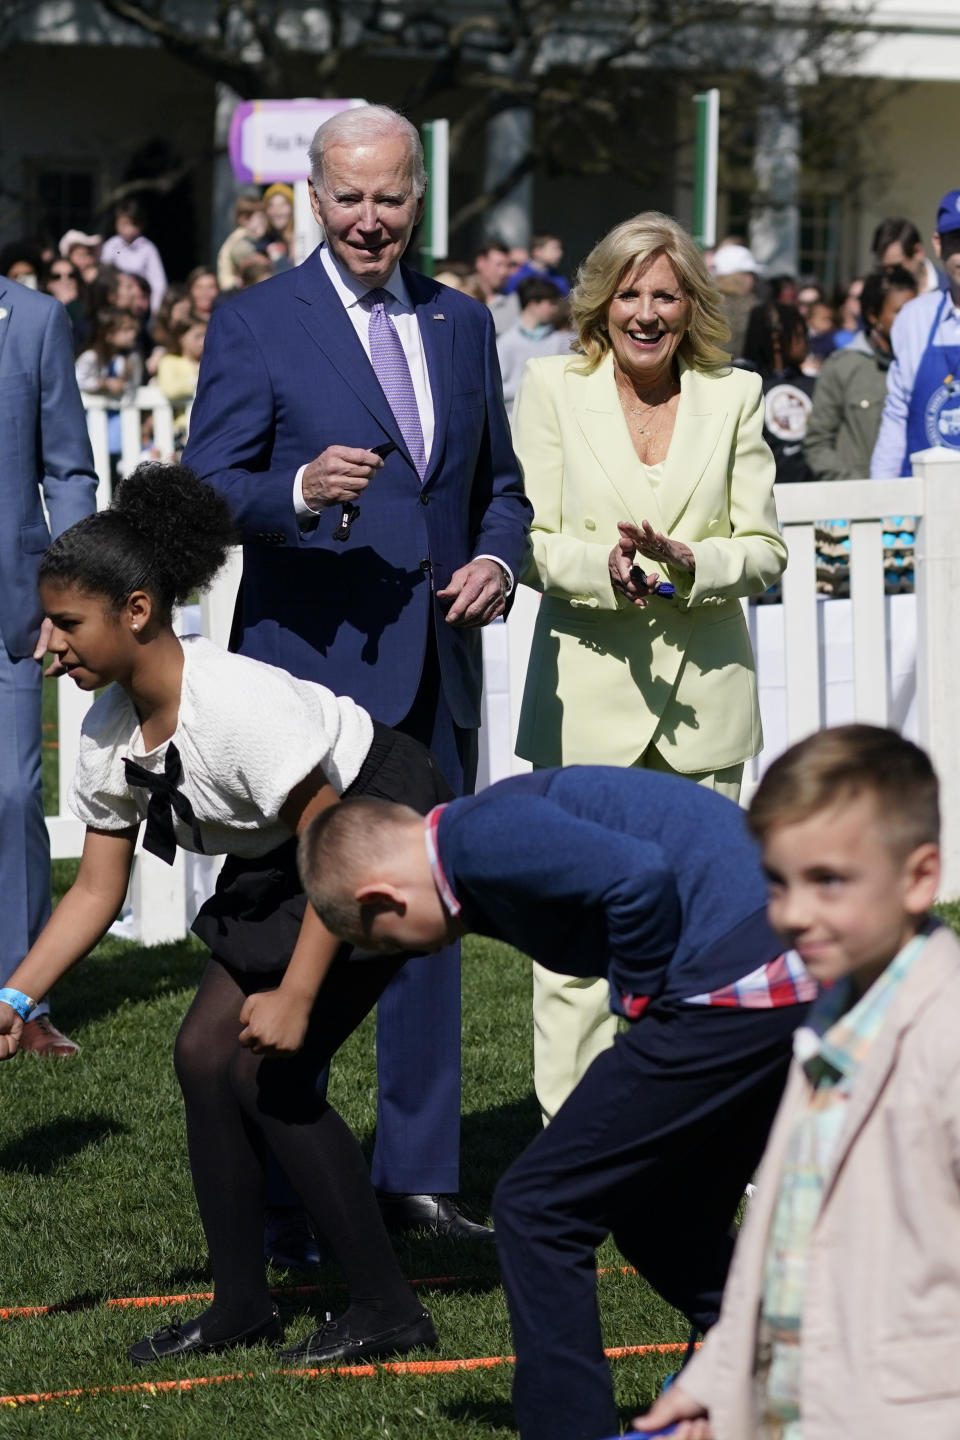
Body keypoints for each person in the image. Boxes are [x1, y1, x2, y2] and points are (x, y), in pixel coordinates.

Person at [0, 463, 452, 1367]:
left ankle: (387, 1309)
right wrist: (14, 1002)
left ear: (137, 611)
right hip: (286, 853)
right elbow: (96, 889)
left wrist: (294, 993)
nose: (47, 647)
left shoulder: (235, 707)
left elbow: (338, 851)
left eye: (68, 624)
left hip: (371, 824)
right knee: (204, 1054)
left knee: (269, 1074)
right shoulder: (105, 731)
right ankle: (241, 1304)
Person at [183, 103, 532, 1242]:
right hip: (309, 684)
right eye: (351, 198)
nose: (371, 219)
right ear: (312, 200)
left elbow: (501, 488)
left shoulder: (463, 323)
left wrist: (495, 557)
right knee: (295, 928)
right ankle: (284, 1165)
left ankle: (420, 1177)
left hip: (434, 672)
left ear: (417, 198)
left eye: (392, 197)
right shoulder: (254, 322)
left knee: (423, 923)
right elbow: (206, 486)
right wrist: (290, 494)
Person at [299, 765, 815, 1440]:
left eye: (389, 943)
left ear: (383, 900)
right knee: (661, 1217)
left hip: (737, 979)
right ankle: (773, 1365)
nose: (409, 953)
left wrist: (637, 1001)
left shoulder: (477, 838)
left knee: (535, 1208)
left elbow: (638, 878)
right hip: (776, 971)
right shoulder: (475, 846)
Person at [512, 211, 787, 1121]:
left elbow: (765, 550)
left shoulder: (734, 395)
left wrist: (695, 564)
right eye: (629, 292)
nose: (645, 312)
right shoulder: (552, 387)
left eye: (664, 295)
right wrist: (607, 570)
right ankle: (574, 1138)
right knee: (575, 943)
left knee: (713, 935)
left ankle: (700, 1126)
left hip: (704, 707)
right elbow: (531, 542)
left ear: (690, 306)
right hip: (586, 696)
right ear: (601, 299)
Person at [635, 724, 957, 1440]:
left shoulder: (945, 1038)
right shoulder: (831, 1010)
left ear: (920, 877)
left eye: (828, 882)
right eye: (777, 882)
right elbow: (780, 1238)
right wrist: (723, 1379)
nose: (793, 914)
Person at [0, 266, 98, 1055]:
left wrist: (68, 592)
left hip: (13, 605)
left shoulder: (33, 319)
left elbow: (67, 467)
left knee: (10, 794)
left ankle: (21, 999)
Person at [871, 189, 960, 477]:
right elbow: (897, 415)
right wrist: (882, 496)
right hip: (923, 500)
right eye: (957, 240)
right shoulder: (914, 317)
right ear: (938, 244)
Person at [804, 266, 918, 482]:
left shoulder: (927, 366)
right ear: (873, 315)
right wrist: (858, 488)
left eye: (915, 310)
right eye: (900, 312)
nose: (911, 319)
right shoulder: (842, 366)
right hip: (861, 506)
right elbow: (817, 444)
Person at [740, 301, 816, 483]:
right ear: (776, 339)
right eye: (801, 334)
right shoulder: (742, 385)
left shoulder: (814, 384)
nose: (807, 341)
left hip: (815, 490)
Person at [495, 275, 563, 409]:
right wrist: (526, 388)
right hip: (513, 420)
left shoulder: (557, 340)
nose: (555, 309)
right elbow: (496, 388)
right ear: (533, 304)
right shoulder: (506, 342)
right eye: (551, 303)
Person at [100, 200, 168, 314]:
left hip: (140, 301)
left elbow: (158, 283)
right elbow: (104, 273)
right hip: (117, 300)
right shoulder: (112, 246)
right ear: (116, 224)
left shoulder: (147, 248)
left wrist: (155, 311)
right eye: (124, 224)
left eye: (133, 224)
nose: (128, 229)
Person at [871, 214, 940, 295]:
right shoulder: (879, 296)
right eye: (882, 269)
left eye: (896, 268)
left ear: (918, 252)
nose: (889, 276)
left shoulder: (952, 287)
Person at [216, 196, 269, 291]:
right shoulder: (241, 239)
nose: (265, 222)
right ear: (243, 219)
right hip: (234, 287)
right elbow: (252, 266)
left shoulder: (241, 237)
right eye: (260, 218)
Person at [474, 241, 519, 335]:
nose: (504, 272)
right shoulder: (460, 293)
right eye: (499, 265)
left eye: (508, 266)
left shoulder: (513, 301)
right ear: (480, 262)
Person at [504, 232, 570, 297]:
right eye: (554, 249)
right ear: (537, 251)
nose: (560, 253)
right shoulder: (518, 278)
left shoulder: (559, 279)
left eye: (560, 249)